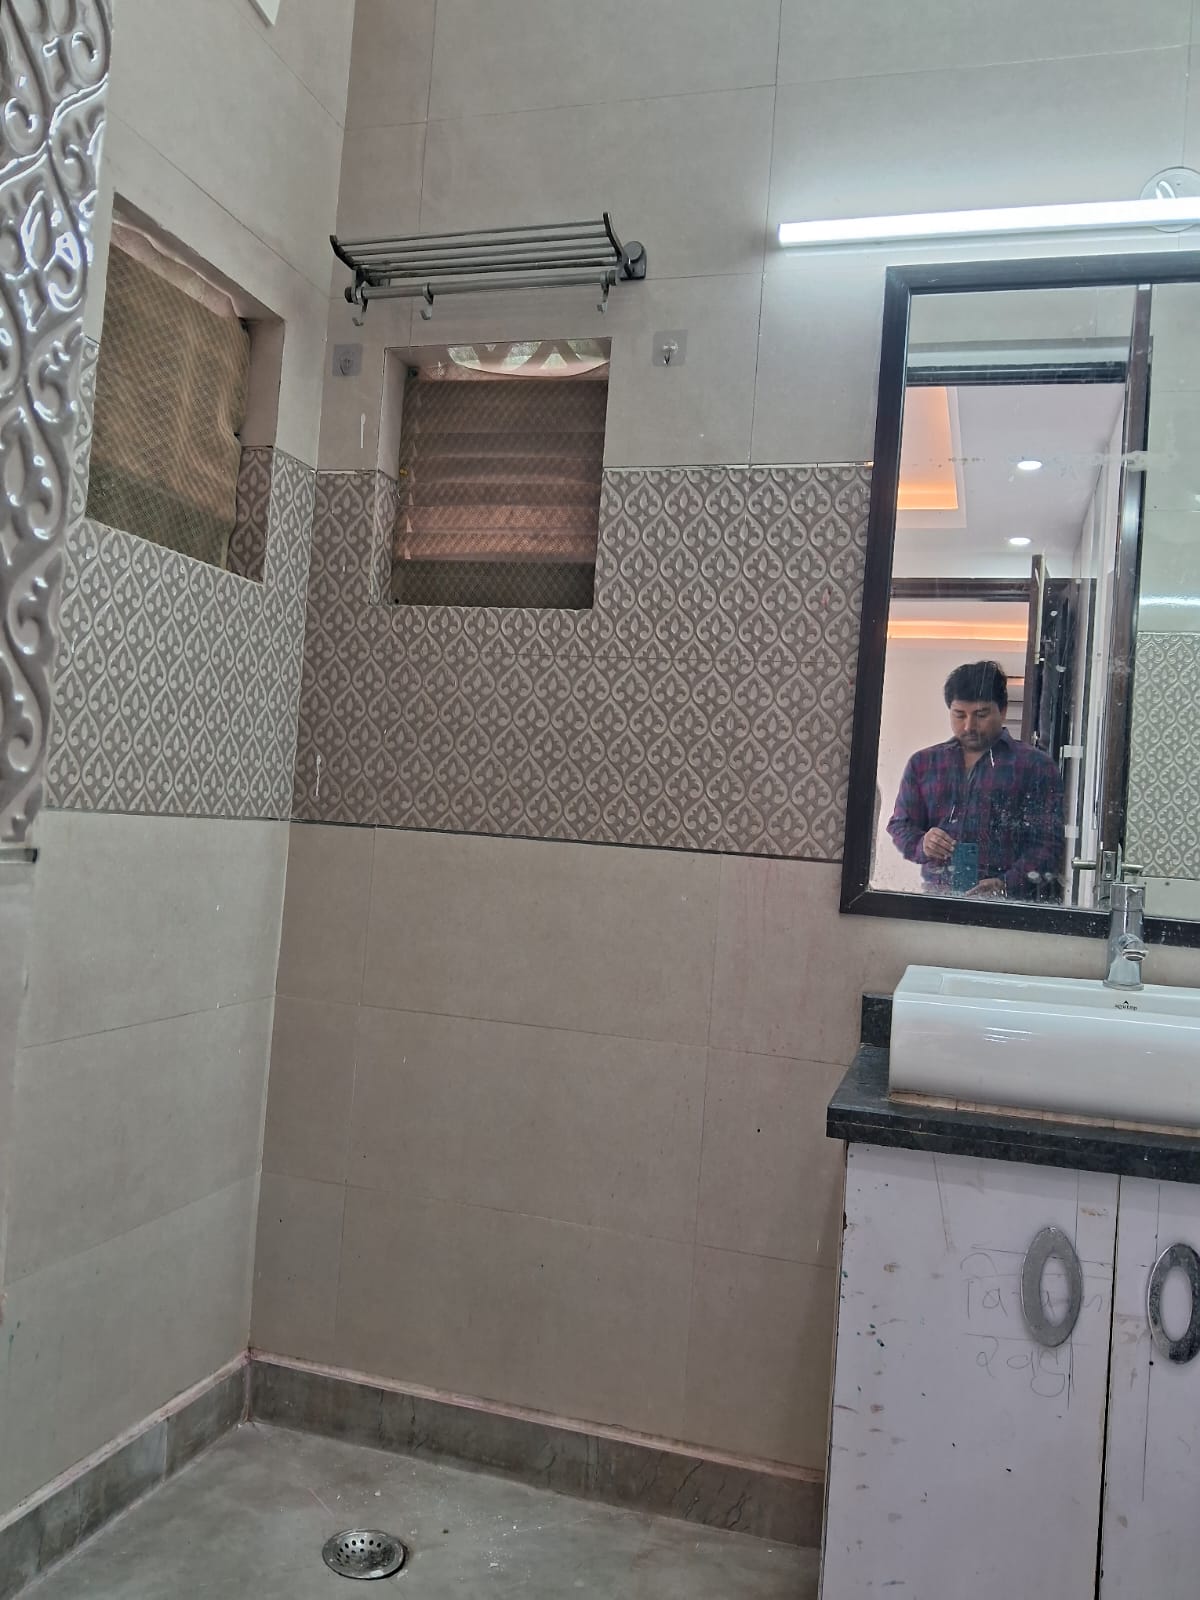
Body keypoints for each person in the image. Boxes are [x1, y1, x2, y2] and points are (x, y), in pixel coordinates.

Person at [887, 661, 1064, 900]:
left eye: (981, 715)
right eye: (959, 715)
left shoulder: (1035, 766)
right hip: (937, 900)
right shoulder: (923, 763)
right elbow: (900, 826)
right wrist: (923, 843)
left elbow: (1048, 844)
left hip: (1012, 905)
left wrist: (1006, 884)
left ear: (1002, 710)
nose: (969, 726)